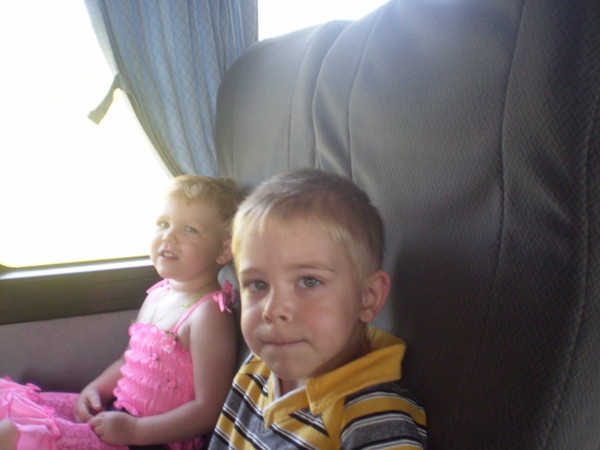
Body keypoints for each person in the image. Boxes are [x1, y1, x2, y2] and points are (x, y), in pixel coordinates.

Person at [0, 175, 244, 450]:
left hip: (152, 440)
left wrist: (135, 431)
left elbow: (209, 409)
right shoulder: (158, 294)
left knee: (12, 434)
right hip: (120, 416)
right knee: (12, 406)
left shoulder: (208, 315)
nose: (168, 236)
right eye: (164, 224)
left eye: (190, 229)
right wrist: (95, 388)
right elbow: (128, 360)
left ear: (224, 249)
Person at [208, 168, 427, 449]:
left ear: (368, 297)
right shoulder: (256, 367)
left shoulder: (373, 422)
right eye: (257, 284)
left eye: (309, 281)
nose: (272, 310)